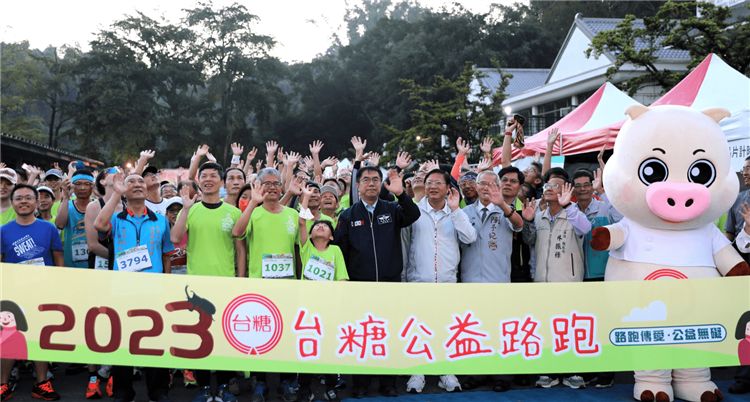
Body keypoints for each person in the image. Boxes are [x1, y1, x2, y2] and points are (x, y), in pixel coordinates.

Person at [334, 165, 420, 398]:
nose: (371, 183)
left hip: (390, 285)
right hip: (359, 287)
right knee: (362, 335)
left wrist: (400, 193)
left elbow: (413, 215)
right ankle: (360, 385)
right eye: (366, 180)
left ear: (381, 184)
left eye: (375, 179)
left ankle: (388, 384)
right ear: (358, 186)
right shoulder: (348, 215)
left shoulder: (392, 208)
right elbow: (340, 251)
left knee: (387, 334)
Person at [93, 171, 174, 402]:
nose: (138, 184)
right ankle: (122, 391)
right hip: (123, 290)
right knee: (122, 341)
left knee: (155, 340)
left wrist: (166, 287)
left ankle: (158, 391)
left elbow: (166, 255)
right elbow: (99, 224)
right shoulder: (116, 219)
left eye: (141, 181)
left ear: (147, 189)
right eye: (131, 182)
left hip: (154, 290)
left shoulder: (160, 220)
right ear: (123, 189)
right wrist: (116, 195)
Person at [171, 162, 245, 402]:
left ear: (221, 183)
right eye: (205, 176)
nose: (209, 179)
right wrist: (184, 208)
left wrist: (240, 281)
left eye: (214, 176)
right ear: (199, 181)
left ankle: (223, 386)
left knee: (224, 337)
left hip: (226, 284)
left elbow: (240, 250)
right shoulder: (190, 210)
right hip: (196, 287)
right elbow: (175, 238)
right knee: (199, 337)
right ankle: (204, 388)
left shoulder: (233, 213)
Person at [231, 169, 302, 402]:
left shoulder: (293, 214)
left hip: (288, 287)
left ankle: (286, 383)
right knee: (260, 334)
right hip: (259, 287)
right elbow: (237, 232)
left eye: (276, 183)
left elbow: (299, 251)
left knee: (288, 335)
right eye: (266, 184)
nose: (271, 187)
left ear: (282, 187)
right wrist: (252, 203)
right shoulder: (253, 213)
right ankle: (260, 382)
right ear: (258, 186)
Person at [403, 169, 474, 394]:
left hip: (447, 281)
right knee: (418, 327)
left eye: (438, 183)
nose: (433, 186)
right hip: (418, 280)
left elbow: (469, 238)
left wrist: (455, 211)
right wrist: (405, 278)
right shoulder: (414, 212)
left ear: (447, 187)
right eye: (429, 183)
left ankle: (446, 371)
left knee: (446, 327)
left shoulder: (456, 212)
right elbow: (405, 245)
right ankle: (417, 372)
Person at [458, 170, 527, 393]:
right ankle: (477, 373)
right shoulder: (464, 212)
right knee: (475, 329)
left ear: (497, 187)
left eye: (491, 183)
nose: (486, 187)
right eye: (482, 183)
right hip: (470, 281)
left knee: (500, 329)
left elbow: (519, 225)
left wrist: (504, 206)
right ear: (475, 187)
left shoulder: (505, 210)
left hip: (499, 281)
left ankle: (502, 375)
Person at [524, 176, 591, 390]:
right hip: (542, 283)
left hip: (568, 282)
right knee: (546, 327)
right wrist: (527, 221)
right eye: (546, 186)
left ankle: (572, 371)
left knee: (569, 327)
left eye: (555, 186)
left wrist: (568, 206)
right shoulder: (539, 216)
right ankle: (549, 371)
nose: (548, 189)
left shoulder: (573, 215)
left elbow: (586, 228)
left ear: (566, 191)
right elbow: (529, 241)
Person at [0, 183, 63, 401]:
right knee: (9, 339)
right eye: (19, 198)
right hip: (12, 295)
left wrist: (62, 288)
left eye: (28, 197)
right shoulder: (3, 231)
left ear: (36, 202)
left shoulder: (49, 228)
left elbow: (58, 261)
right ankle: (3, 384)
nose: (24, 201)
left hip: (42, 293)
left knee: (39, 338)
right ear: (13, 203)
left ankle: (42, 383)